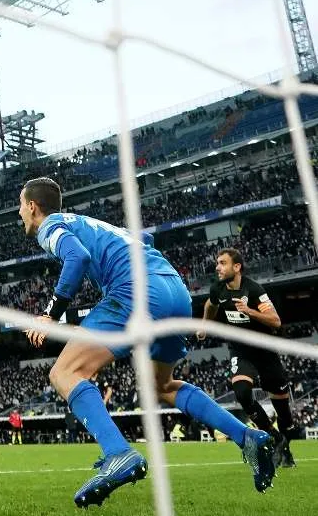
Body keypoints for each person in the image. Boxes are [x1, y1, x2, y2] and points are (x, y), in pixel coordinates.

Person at [19, 177, 275, 507]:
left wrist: (51, 313)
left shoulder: (49, 226)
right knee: (161, 385)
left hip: (136, 291)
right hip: (175, 290)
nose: (20, 216)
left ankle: (117, 453)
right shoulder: (94, 224)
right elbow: (144, 238)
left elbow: (77, 258)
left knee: (64, 374)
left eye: (20, 208)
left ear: (32, 206)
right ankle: (248, 436)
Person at [200, 248, 297, 467]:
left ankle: (286, 449)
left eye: (222, 263)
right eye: (217, 263)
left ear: (237, 267)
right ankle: (273, 436)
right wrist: (204, 325)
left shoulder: (254, 290)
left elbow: (275, 320)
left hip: (265, 351)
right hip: (240, 350)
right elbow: (210, 304)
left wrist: (250, 311)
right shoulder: (217, 289)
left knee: (284, 413)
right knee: (242, 393)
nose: (217, 267)